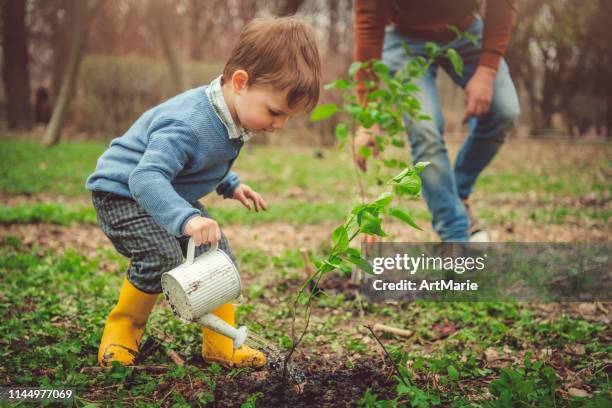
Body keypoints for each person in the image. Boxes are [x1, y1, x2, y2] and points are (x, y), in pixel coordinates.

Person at [86, 16, 321, 368]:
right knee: (161, 256)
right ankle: (122, 332)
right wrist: (186, 219)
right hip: (123, 194)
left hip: (166, 192)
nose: (279, 125)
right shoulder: (188, 124)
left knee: (218, 258)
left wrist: (232, 184)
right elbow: (146, 177)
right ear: (241, 82)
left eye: (287, 117)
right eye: (274, 112)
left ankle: (220, 344)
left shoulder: (231, 114)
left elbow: (203, 161)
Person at [353, 0, 520, 242]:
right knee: (425, 131)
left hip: (465, 30)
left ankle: (456, 195)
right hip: (403, 37)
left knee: (504, 110)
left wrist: (487, 70)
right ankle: (456, 237)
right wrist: (367, 116)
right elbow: (368, 21)